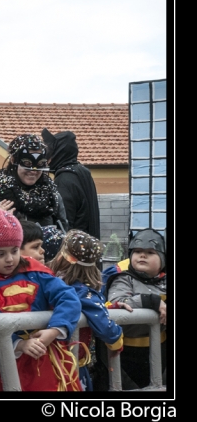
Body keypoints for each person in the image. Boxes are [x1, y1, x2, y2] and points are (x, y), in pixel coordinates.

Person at [0, 207, 82, 391]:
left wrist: (53, 331)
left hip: (43, 360)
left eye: (14, 250)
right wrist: (19, 344)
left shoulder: (38, 274)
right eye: (0, 254)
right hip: (3, 365)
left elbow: (68, 298)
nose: (10, 259)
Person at [47, 230, 126, 391]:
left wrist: (108, 307)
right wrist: (117, 340)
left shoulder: (48, 280)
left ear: (62, 255)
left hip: (47, 360)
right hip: (69, 365)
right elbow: (105, 326)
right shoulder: (82, 292)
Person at [103, 228, 167, 390]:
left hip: (161, 350)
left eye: (150, 252)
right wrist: (149, 301)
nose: (143, 255)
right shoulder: (123, 279)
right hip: (126, 352)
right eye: (138, 251)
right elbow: (116, 302)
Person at [0, 134, 68, 231]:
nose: (33, 171)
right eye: (27, 163)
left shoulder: (51, 195)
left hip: (41, 246)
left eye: (40, 164)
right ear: (14, 160)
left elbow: (63, 232)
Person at [41, 129, 100, 238]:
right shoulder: (81, 171)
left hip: (74, 246)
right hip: (87, 242)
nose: (47, 160)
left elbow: (64, 221)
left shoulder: (64, 178)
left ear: (58, 152)